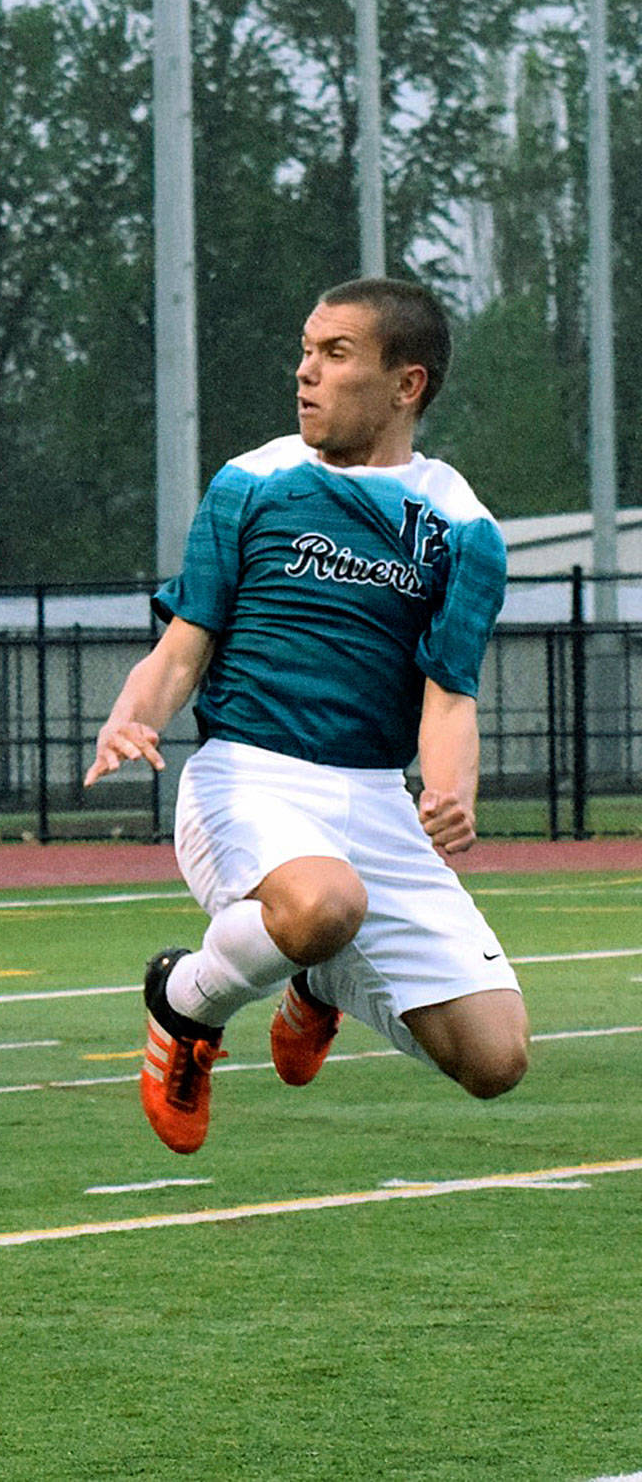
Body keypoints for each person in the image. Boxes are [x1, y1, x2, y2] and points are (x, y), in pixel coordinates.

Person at [84, 277, 529, 1156]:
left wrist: (450, 795)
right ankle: (186, 1001)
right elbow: (182, 649)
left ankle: (316, 983)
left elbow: (449, 695)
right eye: (306, 350)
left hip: (376, 800)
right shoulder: (253, 480)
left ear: (407, 385)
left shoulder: (463, 526)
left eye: (336, 355)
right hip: (248, 780)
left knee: (495, 1058)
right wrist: (130, 715)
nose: (305, 373)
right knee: (325, 900)